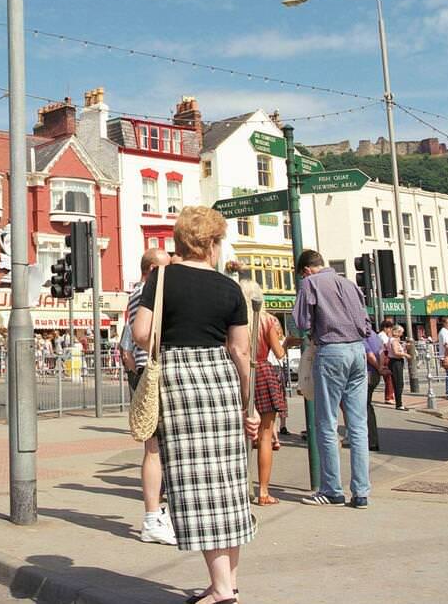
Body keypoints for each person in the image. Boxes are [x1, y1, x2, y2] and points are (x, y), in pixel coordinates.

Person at [133, 207, 256, 604]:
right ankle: (227, 584)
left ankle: (222, 590)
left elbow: (141, 333)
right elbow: (240, 351)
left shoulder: (162, 278)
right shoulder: (230, 288)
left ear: (183, 241)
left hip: (178, 381)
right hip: (220, 381)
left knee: (196, 486)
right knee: (228, 484)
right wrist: (248, 405)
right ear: (211, 243)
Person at [292, 249, 371, 508]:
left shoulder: (310, 283)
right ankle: (361, 493)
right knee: (357, 425)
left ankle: (331, 489)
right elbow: (366, 323)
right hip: (357, 350)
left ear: (305, 270)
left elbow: (302, 321)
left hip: (331, 350)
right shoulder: (348, 283)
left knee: (326, 423)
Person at [119, 248, 176, 544]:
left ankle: (159, 514)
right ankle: (153, 517)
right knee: (154, 447)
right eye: (167, 267)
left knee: (157, 447)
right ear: (153, 268)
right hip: (153, 371)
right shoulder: (147, 291)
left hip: (146, 370)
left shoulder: (139, 291)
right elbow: (147, 332)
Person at [253, 305, 288, 505]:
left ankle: (240, 487)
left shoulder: (235, 318)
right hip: (263, 371)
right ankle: (263, 491)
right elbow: (279, 353)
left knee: (239, 435)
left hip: (239, 372)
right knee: (265, 435)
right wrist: (288, 343)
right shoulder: (267, 321)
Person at [362, 324, 384, 451]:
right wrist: (380, 368)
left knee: (364, 407)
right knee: (367, 405)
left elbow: (369, 355)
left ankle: (369, 440)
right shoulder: (375, 336)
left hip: (368, 373)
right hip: (374, 374)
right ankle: (372, 440)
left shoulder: (363, 336)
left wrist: (378, 367)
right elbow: (381, 353)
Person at [386, 325, 410, 411]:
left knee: (399, 383)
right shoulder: (393, 340)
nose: (402, 334)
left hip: (396, 362)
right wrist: (405, 355)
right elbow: (396, 352)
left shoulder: (395, 340)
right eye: (401, 332)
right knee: (398, 383)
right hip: (395, 362)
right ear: (396, 332)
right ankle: (399, 404)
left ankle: (399, 403)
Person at [377, 318, 396, 403]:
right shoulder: (382, 335)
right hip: (385, 356)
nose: (390, 330)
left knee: (389, 377)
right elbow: (386, 346)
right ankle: (389, 397)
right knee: (389, 377)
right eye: (389, 328)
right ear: (385, 328)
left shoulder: (382, 335)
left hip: (385, 355)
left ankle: (390, 396)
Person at [437, 319, 448, 396]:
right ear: (444, 323)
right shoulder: (444, 332)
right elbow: (446, 344)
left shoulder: (445, 331)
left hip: (446, 354)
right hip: (446, 355)